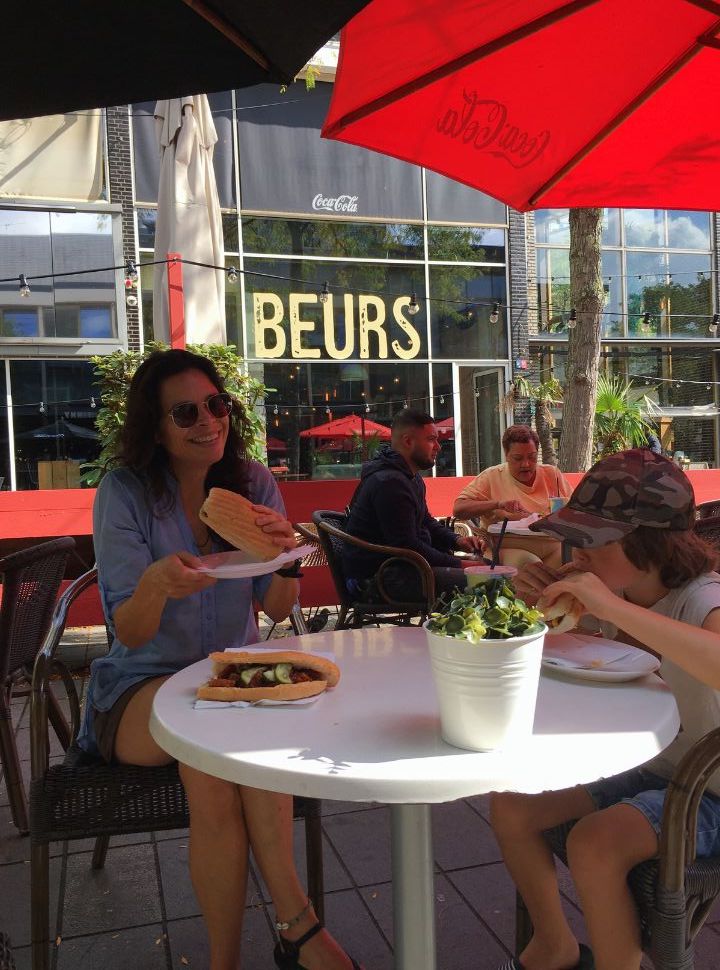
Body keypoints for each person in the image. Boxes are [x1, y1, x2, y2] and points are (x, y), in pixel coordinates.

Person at [77, 349, 359, 970]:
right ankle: (294, 933)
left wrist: (290, 558)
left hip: (231, 680)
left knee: (231, 743)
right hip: (137, 688)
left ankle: (267, 943)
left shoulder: (253, 483)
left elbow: (278, 603)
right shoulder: (123, 493)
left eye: (216, 404)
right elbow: (127, 629)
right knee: (214, 743)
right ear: (155, 427)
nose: (209, 420)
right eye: (186, 411)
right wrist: (155, 584)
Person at [490, 448, 720, 970]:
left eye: (592, 540)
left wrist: (609, 608)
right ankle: (555, 947)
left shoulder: (702, 596)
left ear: (649, 542)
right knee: (512, 804)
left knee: (596, 844)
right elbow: (585, 660)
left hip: (711, 793)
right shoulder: (621, 588)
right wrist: (540, 609)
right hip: (656, 768)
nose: (576, 550)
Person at [342, 408, 485, 601]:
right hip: (377, 578)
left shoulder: (409, 477)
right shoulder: (389, 483)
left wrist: (457, 541)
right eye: (431, 439)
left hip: (401, 567)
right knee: (485, 582)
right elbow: (408, 546)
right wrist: (461, 565)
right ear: (408, 441)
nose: (438, 447)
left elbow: (425, 521)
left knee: (485, 574)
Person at [452, 424, 572, 569]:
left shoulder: (552, 474)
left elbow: (576, 510)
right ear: (506, 455)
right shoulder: (492, 476)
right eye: (518, 458)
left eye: (532, 457)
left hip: (552, 544)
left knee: (576, 561)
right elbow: (459, 509)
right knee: (530, 565)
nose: (526, 464)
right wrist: (497, 504)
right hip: (506, 547)